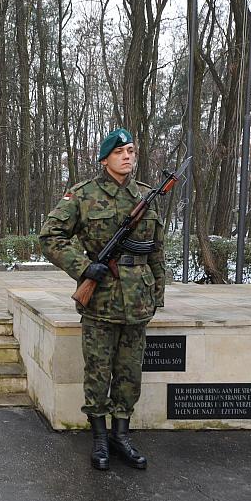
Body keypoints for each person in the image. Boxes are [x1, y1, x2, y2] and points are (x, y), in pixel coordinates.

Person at [39, 128, 165, 471]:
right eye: (120, 152)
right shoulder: (83, 194)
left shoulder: (145, 197)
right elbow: (50, 236)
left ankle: (121, 436)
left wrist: (158, 294)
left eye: (131, 151)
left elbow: (156, 250)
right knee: (98, 371)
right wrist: (83, 267)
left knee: (130, 373)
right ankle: (99, 438)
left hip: (138, 300)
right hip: (101, 300)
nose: (128, 156)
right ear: (105, 158)